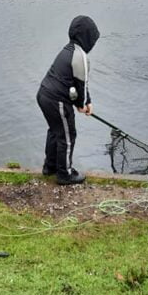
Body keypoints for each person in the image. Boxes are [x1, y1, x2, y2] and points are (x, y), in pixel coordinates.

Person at [36, 15, 100, 186]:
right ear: (88, 38)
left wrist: (81, 103)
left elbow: (72, 83)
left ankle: (50, 167)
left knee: (55, 131)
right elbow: (82, 85)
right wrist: (84, 104)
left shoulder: (68, 49)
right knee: (68, 136)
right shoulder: (81, 57)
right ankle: (65, 173)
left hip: (43, 94)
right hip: (57, 100)